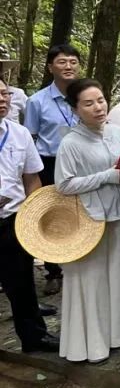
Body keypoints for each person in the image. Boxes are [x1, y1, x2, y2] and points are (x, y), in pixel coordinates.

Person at [54, 79, 120, 363]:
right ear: (75, 109)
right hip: (89, 219)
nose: (98, 107)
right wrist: (106, 176)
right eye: (88, 103)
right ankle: (92, 344)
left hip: (118, 214)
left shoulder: (117, 132)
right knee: (92, 281)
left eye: (100, 100)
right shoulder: (70, 143)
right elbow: (64, 185)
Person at [0, 75, 59, 352]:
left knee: (21, 281)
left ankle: (34, 337)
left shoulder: (19, 133)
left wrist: (30, 217)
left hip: (12, 217)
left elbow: (32, 178)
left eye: (5, 94)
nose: (3, 100)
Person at [24, 43, 83, 293]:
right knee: (52, 214)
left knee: (83, 211)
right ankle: (53, 270)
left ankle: (81, 263)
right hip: (50, 162)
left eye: (73, 61)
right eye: (62, 62)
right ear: (50, 67)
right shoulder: (37, 101)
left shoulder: (86, 95)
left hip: (82, 161)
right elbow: (30, 137)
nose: (68, 66)